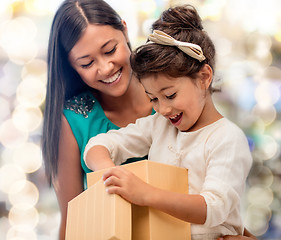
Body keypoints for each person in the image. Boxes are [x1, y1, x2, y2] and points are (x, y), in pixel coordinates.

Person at [42, 0, 256, 239]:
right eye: (87, 63)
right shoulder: (155, 122)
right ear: (72, 66)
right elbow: (72, 223)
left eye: (110, 50)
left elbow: (217, 206)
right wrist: (112, 174)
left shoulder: (178, 111)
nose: (105, 68)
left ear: (124, 30)